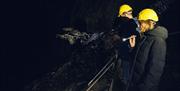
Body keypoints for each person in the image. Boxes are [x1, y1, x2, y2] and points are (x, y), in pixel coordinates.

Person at [127, 8, 168, 91]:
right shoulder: (145, 37)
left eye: (140, 22)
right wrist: (132, 48)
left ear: (150, 22)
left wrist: (142, 88)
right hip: (134, 84)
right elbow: (138, 60)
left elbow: (155, 72)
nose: (138, 25)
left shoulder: (158, 41)